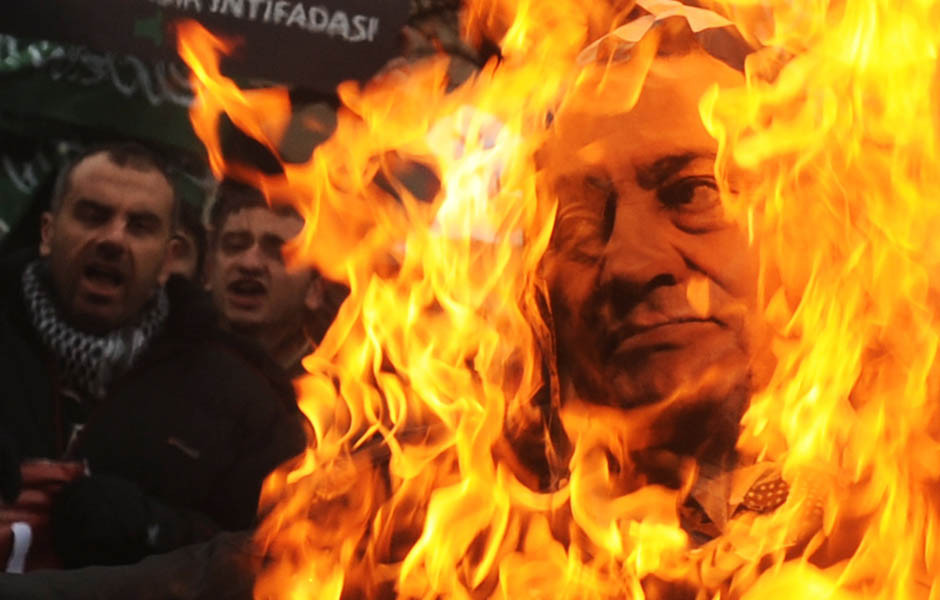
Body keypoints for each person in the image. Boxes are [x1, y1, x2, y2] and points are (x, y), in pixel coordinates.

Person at [0, 142, 306, 571]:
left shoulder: (242, 399)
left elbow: (275, 557)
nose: (113, 239)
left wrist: (153, 529)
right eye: (93, 216)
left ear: (169, 259)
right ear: (48, 233)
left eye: (140, 226)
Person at [205, 179, 343, 376]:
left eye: (278, 253)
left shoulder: (344, 386)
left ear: (314, 290)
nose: (249, 263)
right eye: (235, 245)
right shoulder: (172, 367)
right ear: (209, 269)